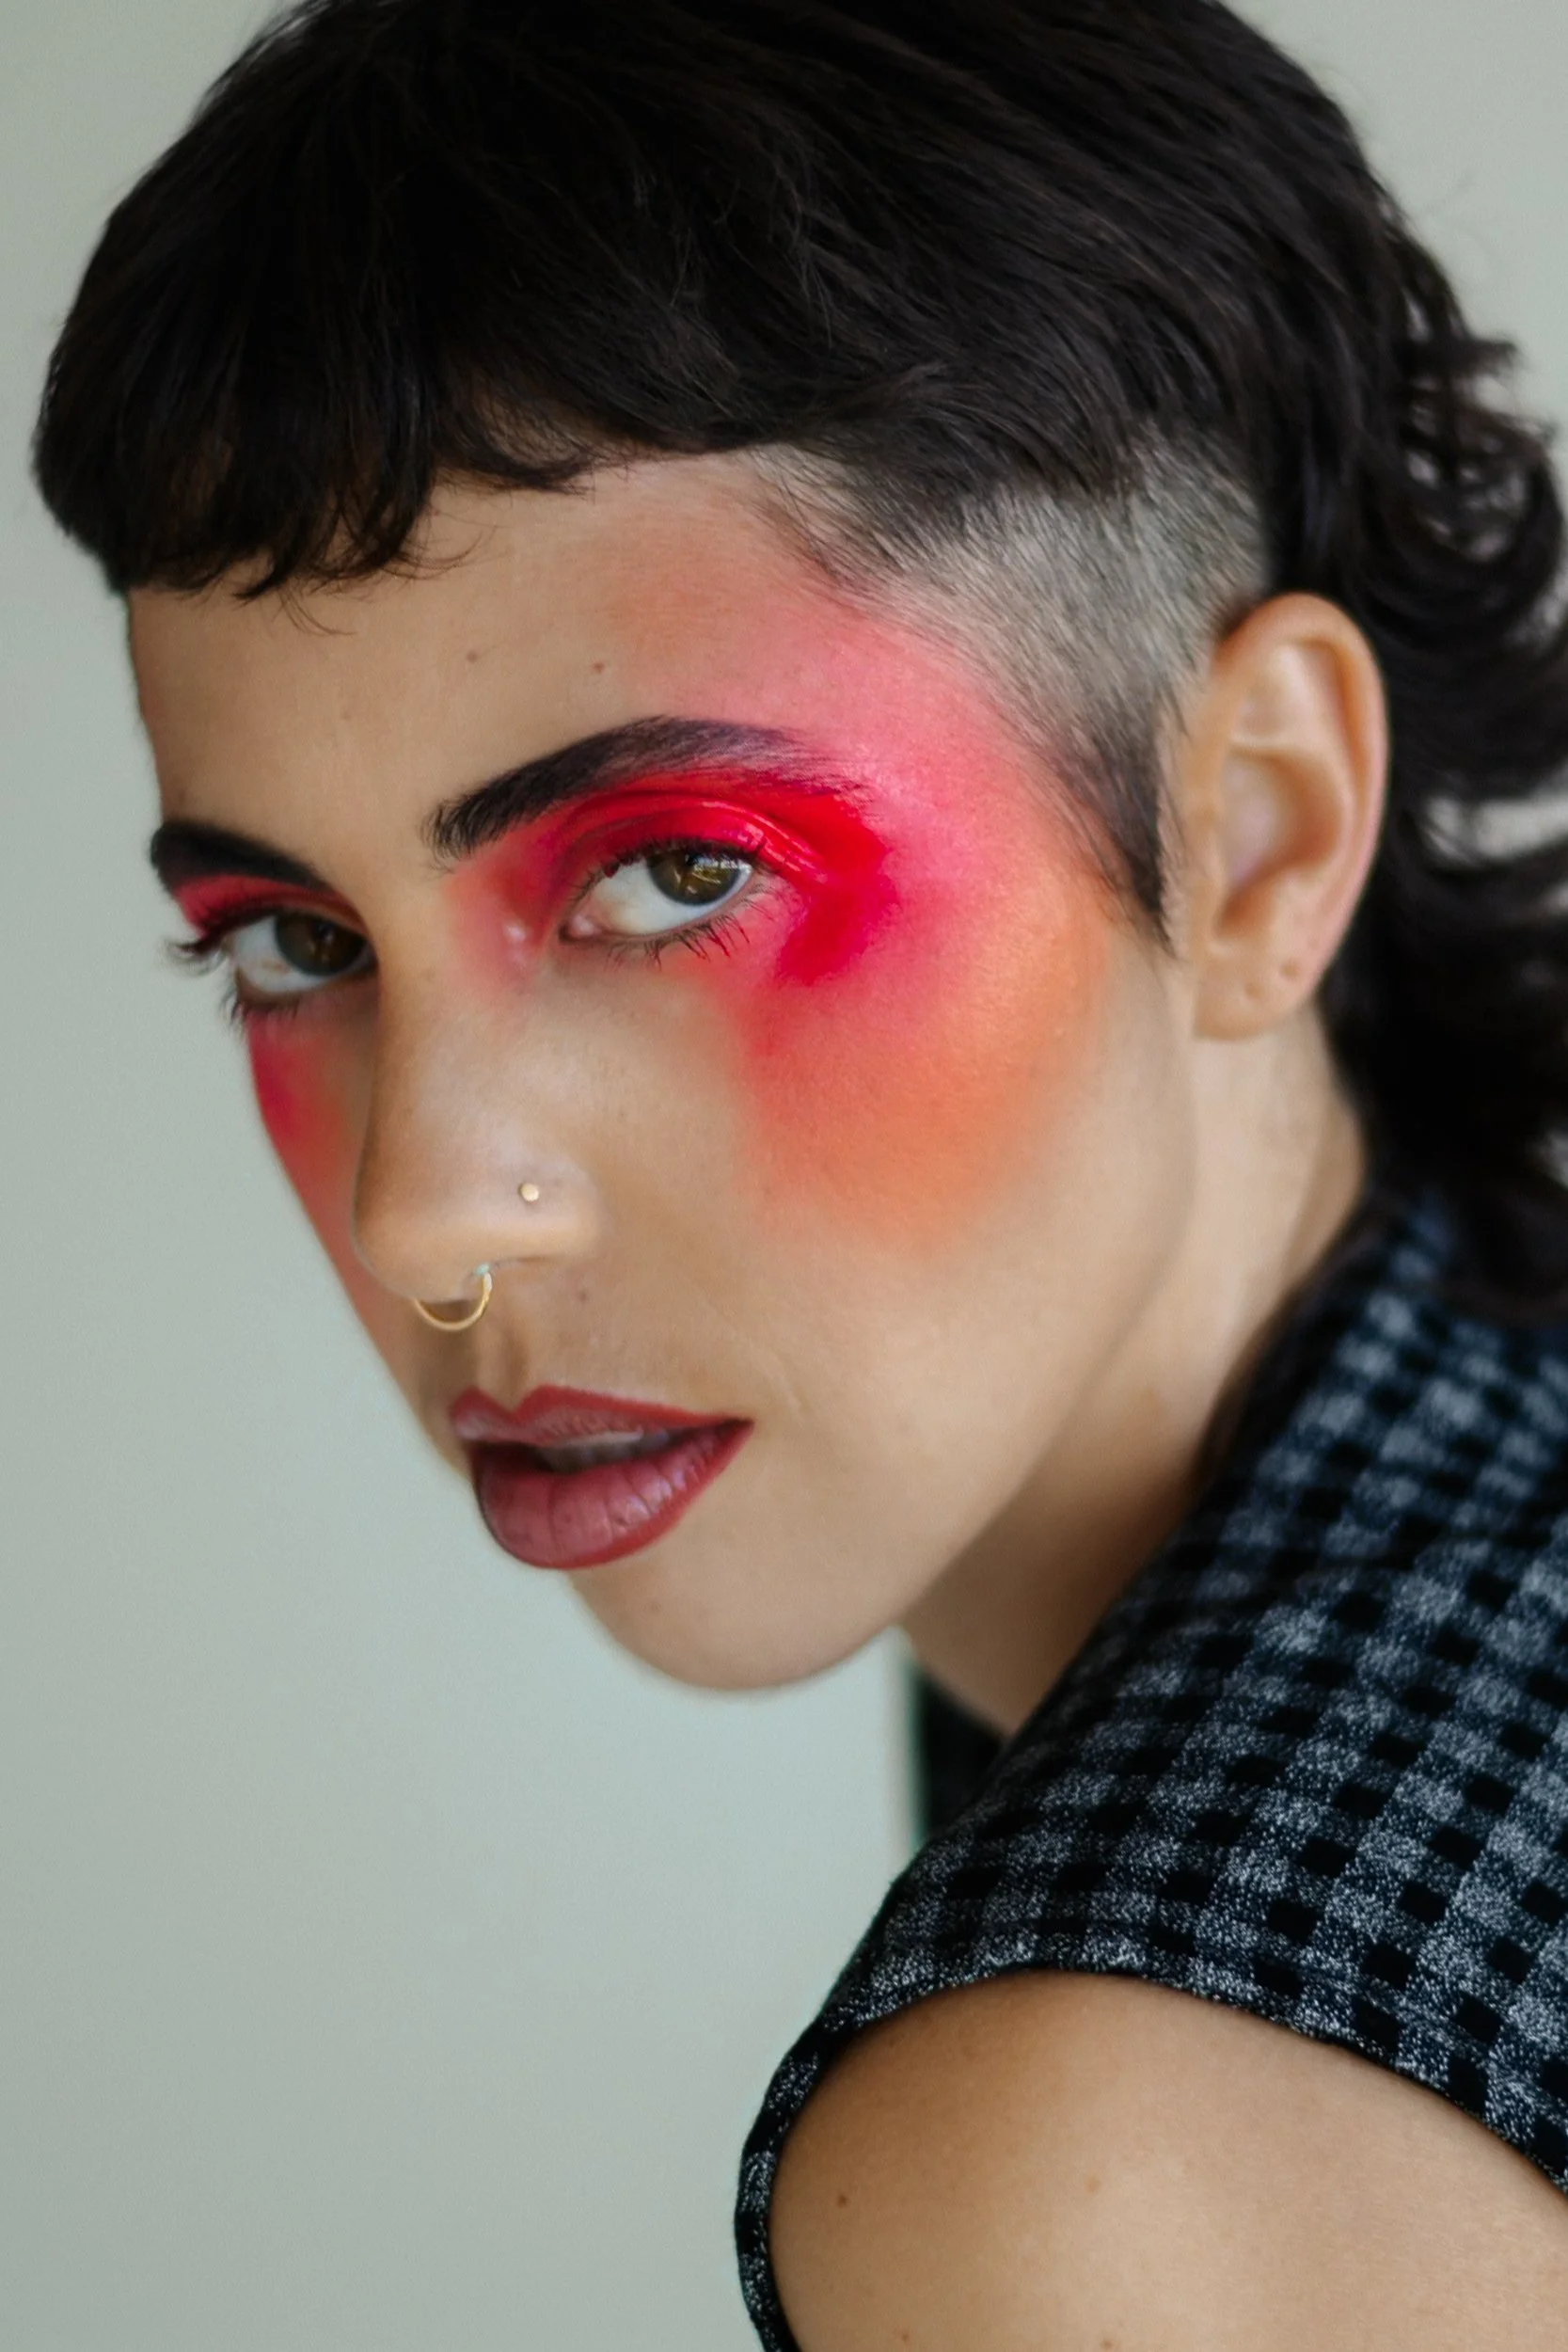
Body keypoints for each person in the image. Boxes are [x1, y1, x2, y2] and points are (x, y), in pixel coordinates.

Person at [34, 0, 1568, 2340]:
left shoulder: (1114, 2147)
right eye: (296, 938)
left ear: (1254, 828)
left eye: (668, 876)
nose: (425, 1207)